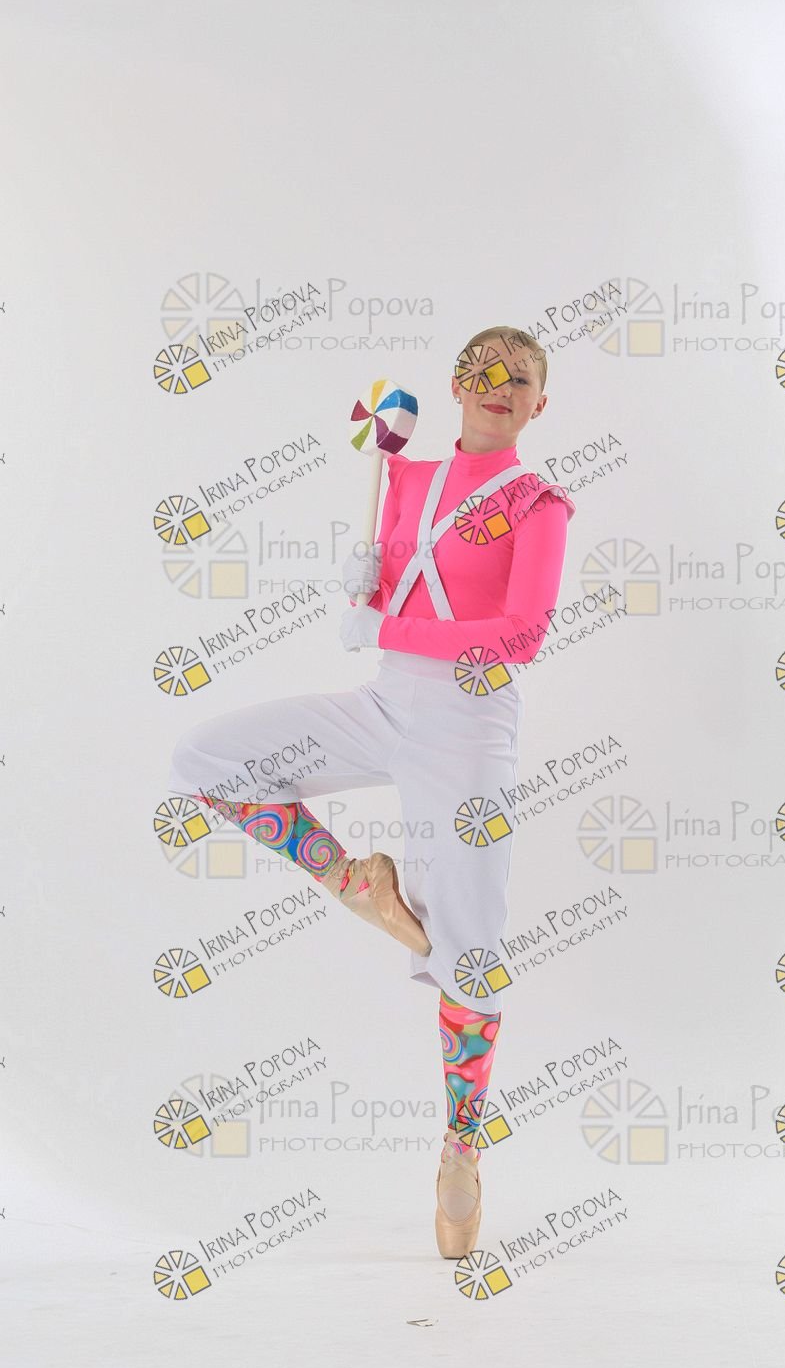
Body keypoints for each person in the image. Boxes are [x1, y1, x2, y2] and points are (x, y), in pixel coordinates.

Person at [165, 325, 576, 1258]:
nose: (499, 385)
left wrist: (387, 623)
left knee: (472, 951)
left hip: (469, 726)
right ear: (457, 384)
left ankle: (461, 1150)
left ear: (539, 405)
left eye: (520, 379)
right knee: (206, 761)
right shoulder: (404, 475)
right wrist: (373, 586)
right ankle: (354, 880)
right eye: (483, 371)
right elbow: (399, 593)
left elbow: (519, 636)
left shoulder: (538, 503)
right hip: (385, 702)